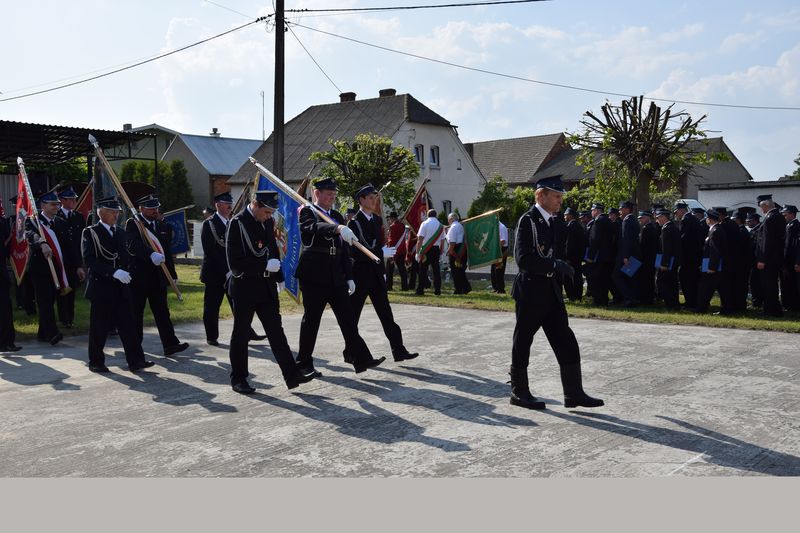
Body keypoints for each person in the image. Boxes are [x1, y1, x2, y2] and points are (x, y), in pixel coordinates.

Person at [508, 176, 603, 410]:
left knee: (566, 340)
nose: (560, 201)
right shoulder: (528, 220)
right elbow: (524, 259)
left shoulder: (556, 222)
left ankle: (574, 393)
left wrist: (563, 268)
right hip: (531, 290)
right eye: (556, 196)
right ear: (541, 195)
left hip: (551, 290)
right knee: (523, 341)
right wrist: (554, 265)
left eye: (561, 196)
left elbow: (557, 253)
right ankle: (519, 391)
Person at [225, 189, 316, 394]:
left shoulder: (266, 221)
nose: (269, 216)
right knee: (240, 335)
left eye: (271, 213)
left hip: (266, 287)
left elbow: (273, 249)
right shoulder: (237, 223)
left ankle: (292, 375)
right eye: (266, 212)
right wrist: (264, 266)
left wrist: (280, 277)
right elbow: (234, 263)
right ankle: (238, 379)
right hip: (244, 287)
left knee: (277, 333)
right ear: (255, 205)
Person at [294, 177, 386, 376]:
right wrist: (336, 228)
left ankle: (360, 358)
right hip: (314, 275)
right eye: (328, 194)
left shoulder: (335, 214)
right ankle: (303, 364)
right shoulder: (308, 212)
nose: (332, 198)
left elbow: (344, 249)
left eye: (334, 195)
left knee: (348, 319)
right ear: (317, 193)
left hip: (336, 274)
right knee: (311, 321)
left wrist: (350, 276)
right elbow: (311, 229)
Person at [81, 197, 154, 373]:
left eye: (117, 212)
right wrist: (112, 272)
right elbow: (90, 260)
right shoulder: (91, 233)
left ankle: (136, 360)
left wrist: (128, 271)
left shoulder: (120, 233)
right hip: (101, 287)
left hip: (121, 288)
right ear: (101, 212)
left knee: (128, 326)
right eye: (113, 211)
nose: (116, 215)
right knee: (99, 327)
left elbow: (126, 257)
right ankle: (96, 362)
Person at [347, 184, 419, 362]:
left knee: (387, 315)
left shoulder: (377, 220)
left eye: (374, 197)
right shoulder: (354, 223)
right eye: (370, 198)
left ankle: (399, 350)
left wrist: (382, 270)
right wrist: (380, 254)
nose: (373, 201)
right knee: (352, 317)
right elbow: (357, 251)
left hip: (376, 276)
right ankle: (350, 353)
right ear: (361, 200)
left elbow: (376, 246)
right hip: (360, 275)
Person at [200, 192, 267, 346]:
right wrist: (226, 269)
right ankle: (212, 336)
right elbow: (210, 251)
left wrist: (234, 269)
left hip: (233, 273)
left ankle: (247, 332)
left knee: (239, 305)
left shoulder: (233, 222)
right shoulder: (209, 224)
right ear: (218, 205)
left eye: (230, 202)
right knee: (211, 307)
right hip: (215, 274)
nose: (230, 205)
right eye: (225, 203)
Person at [125, 194, 189, 356]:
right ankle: (135, 349)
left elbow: (166, 252)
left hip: (158, 277)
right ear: (141, 209)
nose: (154, 211)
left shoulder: (162, 226)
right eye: (150, 208)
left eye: (156, 207)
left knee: (162, 312)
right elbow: (132, 245)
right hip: (139, 277)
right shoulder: (134, 224)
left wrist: (172, 274)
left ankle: (170, 344)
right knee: (136, 314)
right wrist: (149, 254)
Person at [24, 191, 67, 345]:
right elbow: (28, 234)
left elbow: (66, 246)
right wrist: (41, 242)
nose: (56, 206)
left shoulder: (60, 222)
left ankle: (43, 333)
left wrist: (76, 266)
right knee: (44, 300)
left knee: (50, 299)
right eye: (53, 204)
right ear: (43, 205)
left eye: (58, 204)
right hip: (40, 268)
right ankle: (52, 333)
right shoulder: (33, 221)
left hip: (56, 267)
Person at [54, 186, 86, 329]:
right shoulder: (56, 216)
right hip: (60, 260)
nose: (73, 201)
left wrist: (79, 264)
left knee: (71, 290)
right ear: (62, 200)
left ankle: (70, 319)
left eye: (74, 199)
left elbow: (80, 241)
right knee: (62, 290)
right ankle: (63, 318)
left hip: (74, 260)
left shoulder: (78, 217)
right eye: (70, 199)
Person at [754, 194, 785, 317]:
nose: (761, 210)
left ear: (765, 205)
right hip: (776, 257)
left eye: (761, 207)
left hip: (769, 259)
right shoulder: (779, 216)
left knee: (768, 285)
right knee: (771, 284)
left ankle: (771, 310)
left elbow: (767, 241)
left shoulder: (770, 218)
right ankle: (774, 308)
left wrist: (762, 259)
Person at [695, 209, 727, 314]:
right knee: (720, 288)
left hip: (713, 266)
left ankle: (701, 309)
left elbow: (714, 250)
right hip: (712, 265)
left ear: (710, 219)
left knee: (705, 288)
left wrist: (711, 267)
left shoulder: (715, 231)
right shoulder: (714, 229)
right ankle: (725, 309)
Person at [611, 201, 640, 307]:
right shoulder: (633, 220)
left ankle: (630, 298)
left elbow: (626, 240)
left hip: (627, 255)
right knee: (630, 278)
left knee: (616, 276)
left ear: (627, 209)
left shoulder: (627, 221)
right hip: (633, 254)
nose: (619, 211)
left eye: (621, 208)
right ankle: (633, 298)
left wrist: (626, 256)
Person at [675, 202, 703, 310]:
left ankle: (690, 303)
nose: (676, 214)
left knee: (687, 281)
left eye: (677, 212)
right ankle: (693, 302)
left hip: (688, 257)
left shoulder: (686, 220)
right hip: (695, 256)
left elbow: (684, 238)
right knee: (693, 280)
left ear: (681, 210)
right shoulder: (694, 219)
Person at [0, 209, 21, 353]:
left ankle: (6, 341)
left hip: (0, 272)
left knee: (4, 308)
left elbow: (6, 249)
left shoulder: (2, 222)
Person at [585, 202, 613, 306]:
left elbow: (594, 240)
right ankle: (604, 300)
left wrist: (590, 256)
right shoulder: (609, 221)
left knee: (596, 278)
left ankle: (598, 300)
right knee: (604, 279)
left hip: (599, 256)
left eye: (592, 210)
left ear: (596, 210)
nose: (592, 212)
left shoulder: (598, 222)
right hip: (608, 255)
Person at [654, 209, 682, 310]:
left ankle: (670, 304)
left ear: (663, 217)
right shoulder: (673, 227)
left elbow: (667, 248)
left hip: (668, 261)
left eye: (658, 217)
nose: (657, 220)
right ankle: (674, 304)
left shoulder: (666, 228)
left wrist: (664, 264)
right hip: (674, 261)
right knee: (672, 283)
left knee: (663, 283)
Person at [415, 209, 444, 296]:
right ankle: (437, 290)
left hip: (425, 250)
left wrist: (417, 252)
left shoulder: (424, 224)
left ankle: (420, 290)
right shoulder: (440, 225)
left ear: (428, 215)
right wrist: (441, 251)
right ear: (436, 215)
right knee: (436, 271)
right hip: (436, 249)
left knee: (422, 270)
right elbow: (442, 240)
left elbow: (420, 239)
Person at [562, 207, 585, 301]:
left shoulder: (571, 226)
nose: (564, 216)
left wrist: (567, 256)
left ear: (570, 216)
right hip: (578, 256)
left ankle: (571, 295)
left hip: (571, 256)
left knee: (567, 276)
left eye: (566, 215)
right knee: (578, 276)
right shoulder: (579, 225)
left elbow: (569, 243)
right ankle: (578, 295)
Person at [446, 212, 471, 295]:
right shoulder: (460, 226)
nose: (448, 221)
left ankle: (458, 289)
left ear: (451, 219)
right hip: (462, 249)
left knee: (455, 271)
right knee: (460, 271)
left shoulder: (453, 227)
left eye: (448, 219)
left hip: (456, 249)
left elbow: (452, 241)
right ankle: (465, 288)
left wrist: (450, 250)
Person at [637, 210, 658, 305]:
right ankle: (648, 299)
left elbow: (643, 246)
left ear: (647, 218)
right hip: (650, 259)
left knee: (646, 280)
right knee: (648, 280)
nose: (640, 220)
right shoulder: (651, 228)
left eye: (641, 218)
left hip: (646, 259)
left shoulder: (647, 229)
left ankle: (646, 300)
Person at [781, 205, 800, 311]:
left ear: (792, 214)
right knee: (787, 284)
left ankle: (794, 306)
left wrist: (798, 262)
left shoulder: (796, 226)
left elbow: (797, 246)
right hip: (788, 261)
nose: (784, 217)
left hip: (793, 261)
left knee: (793, 284)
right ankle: (789, 305)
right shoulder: (789, 225)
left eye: (785, 214)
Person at [384, 211, 407, 291]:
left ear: (392, 218)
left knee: (389, 270)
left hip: (393, 250)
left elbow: (391, 240)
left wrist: (389, 250)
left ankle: (388, 286)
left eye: (390, 218)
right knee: (402, 269)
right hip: (402, 250)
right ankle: (405, 286)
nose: (389, 220)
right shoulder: (402, 226)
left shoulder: (393, 226)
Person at [747, 212, 763, 308]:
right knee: (753, 282)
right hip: (752, 261)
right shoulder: (753, 230)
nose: (748, 223)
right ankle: (756, 301)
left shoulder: (758, 230)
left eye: (750, 221)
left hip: (756, 260)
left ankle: (757, 302)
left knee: (755, 282)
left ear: (755, 221)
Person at [490, 219, 509, 294]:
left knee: (499, 270)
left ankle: (501, 289)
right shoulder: (494, 227)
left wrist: (495, 248)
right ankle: (495, 288)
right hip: (495, 249)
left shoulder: (501, 227)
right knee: (493, 270)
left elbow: (503, 241)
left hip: (501, 250)